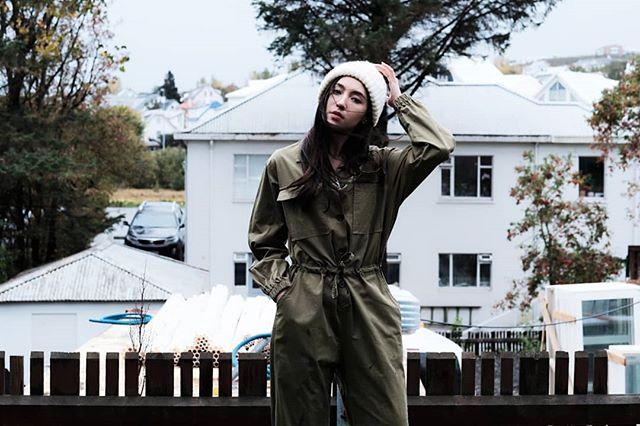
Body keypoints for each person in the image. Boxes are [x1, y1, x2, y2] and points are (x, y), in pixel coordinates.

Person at [248, 60, 455, 425]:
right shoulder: (284, 163)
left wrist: (398, 99)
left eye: (356, 99)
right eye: (336, 91)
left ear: (367, 116)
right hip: (305, 303)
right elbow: (264, 241)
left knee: (385, 416)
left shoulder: (384, 167)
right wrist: (286, 292)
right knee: (298, 417)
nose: (341, 102)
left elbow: (437, 146)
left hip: (368, 300)